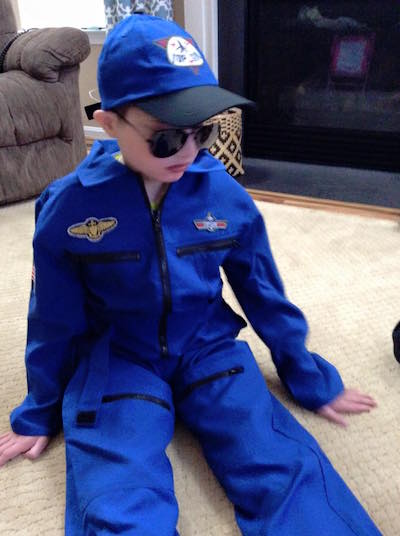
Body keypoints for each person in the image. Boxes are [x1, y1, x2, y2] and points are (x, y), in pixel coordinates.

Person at [0, 13, 380, 536]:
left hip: (208, 347)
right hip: (119, 358)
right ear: (109, 123)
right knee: (117, 492)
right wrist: (39, 409)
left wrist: (307, 375)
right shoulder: (69, 209)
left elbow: (263, 291)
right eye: (165, 137)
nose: (186, 151)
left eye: (202, 131)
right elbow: (52, 316)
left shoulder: (223, 196)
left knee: (282, 466)